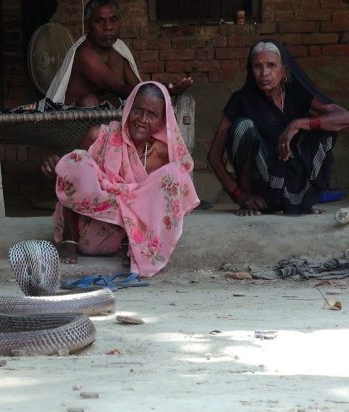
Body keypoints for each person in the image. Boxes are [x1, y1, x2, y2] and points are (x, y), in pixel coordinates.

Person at [53, 81, 199, 277]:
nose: (142, 120)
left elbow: (177, 195)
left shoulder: (163, 154)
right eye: (138, 110)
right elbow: (75, 179)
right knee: (76, 159)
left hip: (127, 236)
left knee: (175, 175)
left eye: (152, 114)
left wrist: (136, 199)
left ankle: (136, 248)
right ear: (128, 108)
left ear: (162, 121)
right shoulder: (100, 136)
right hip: (88, 231)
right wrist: (59, 170)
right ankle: (68, 240)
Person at [207, 39, 349, 216]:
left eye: (271, 65)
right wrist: (241, 197)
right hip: (262, 187)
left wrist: (298, 124)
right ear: (251, 71)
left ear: (284, 72)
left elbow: (344, 117)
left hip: (293, 176)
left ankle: (300, 200)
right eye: (257, 66)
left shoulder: (297, 93)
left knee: (324, 127)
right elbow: (214, 155)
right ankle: (252, 202)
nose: (264, 73)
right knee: (243, 126)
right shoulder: (241, 99)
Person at [46, 0, 192, 108]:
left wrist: (162, 90)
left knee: (135, 102)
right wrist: (167, 89)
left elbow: (136, 87)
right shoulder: (85, 54)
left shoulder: (118, 49)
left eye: (113, 20)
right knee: (89, 101)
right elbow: (120, 89)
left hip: (103, 111)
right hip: (71, 120)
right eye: (100, 21)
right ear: (88, 25)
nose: (108, 27)